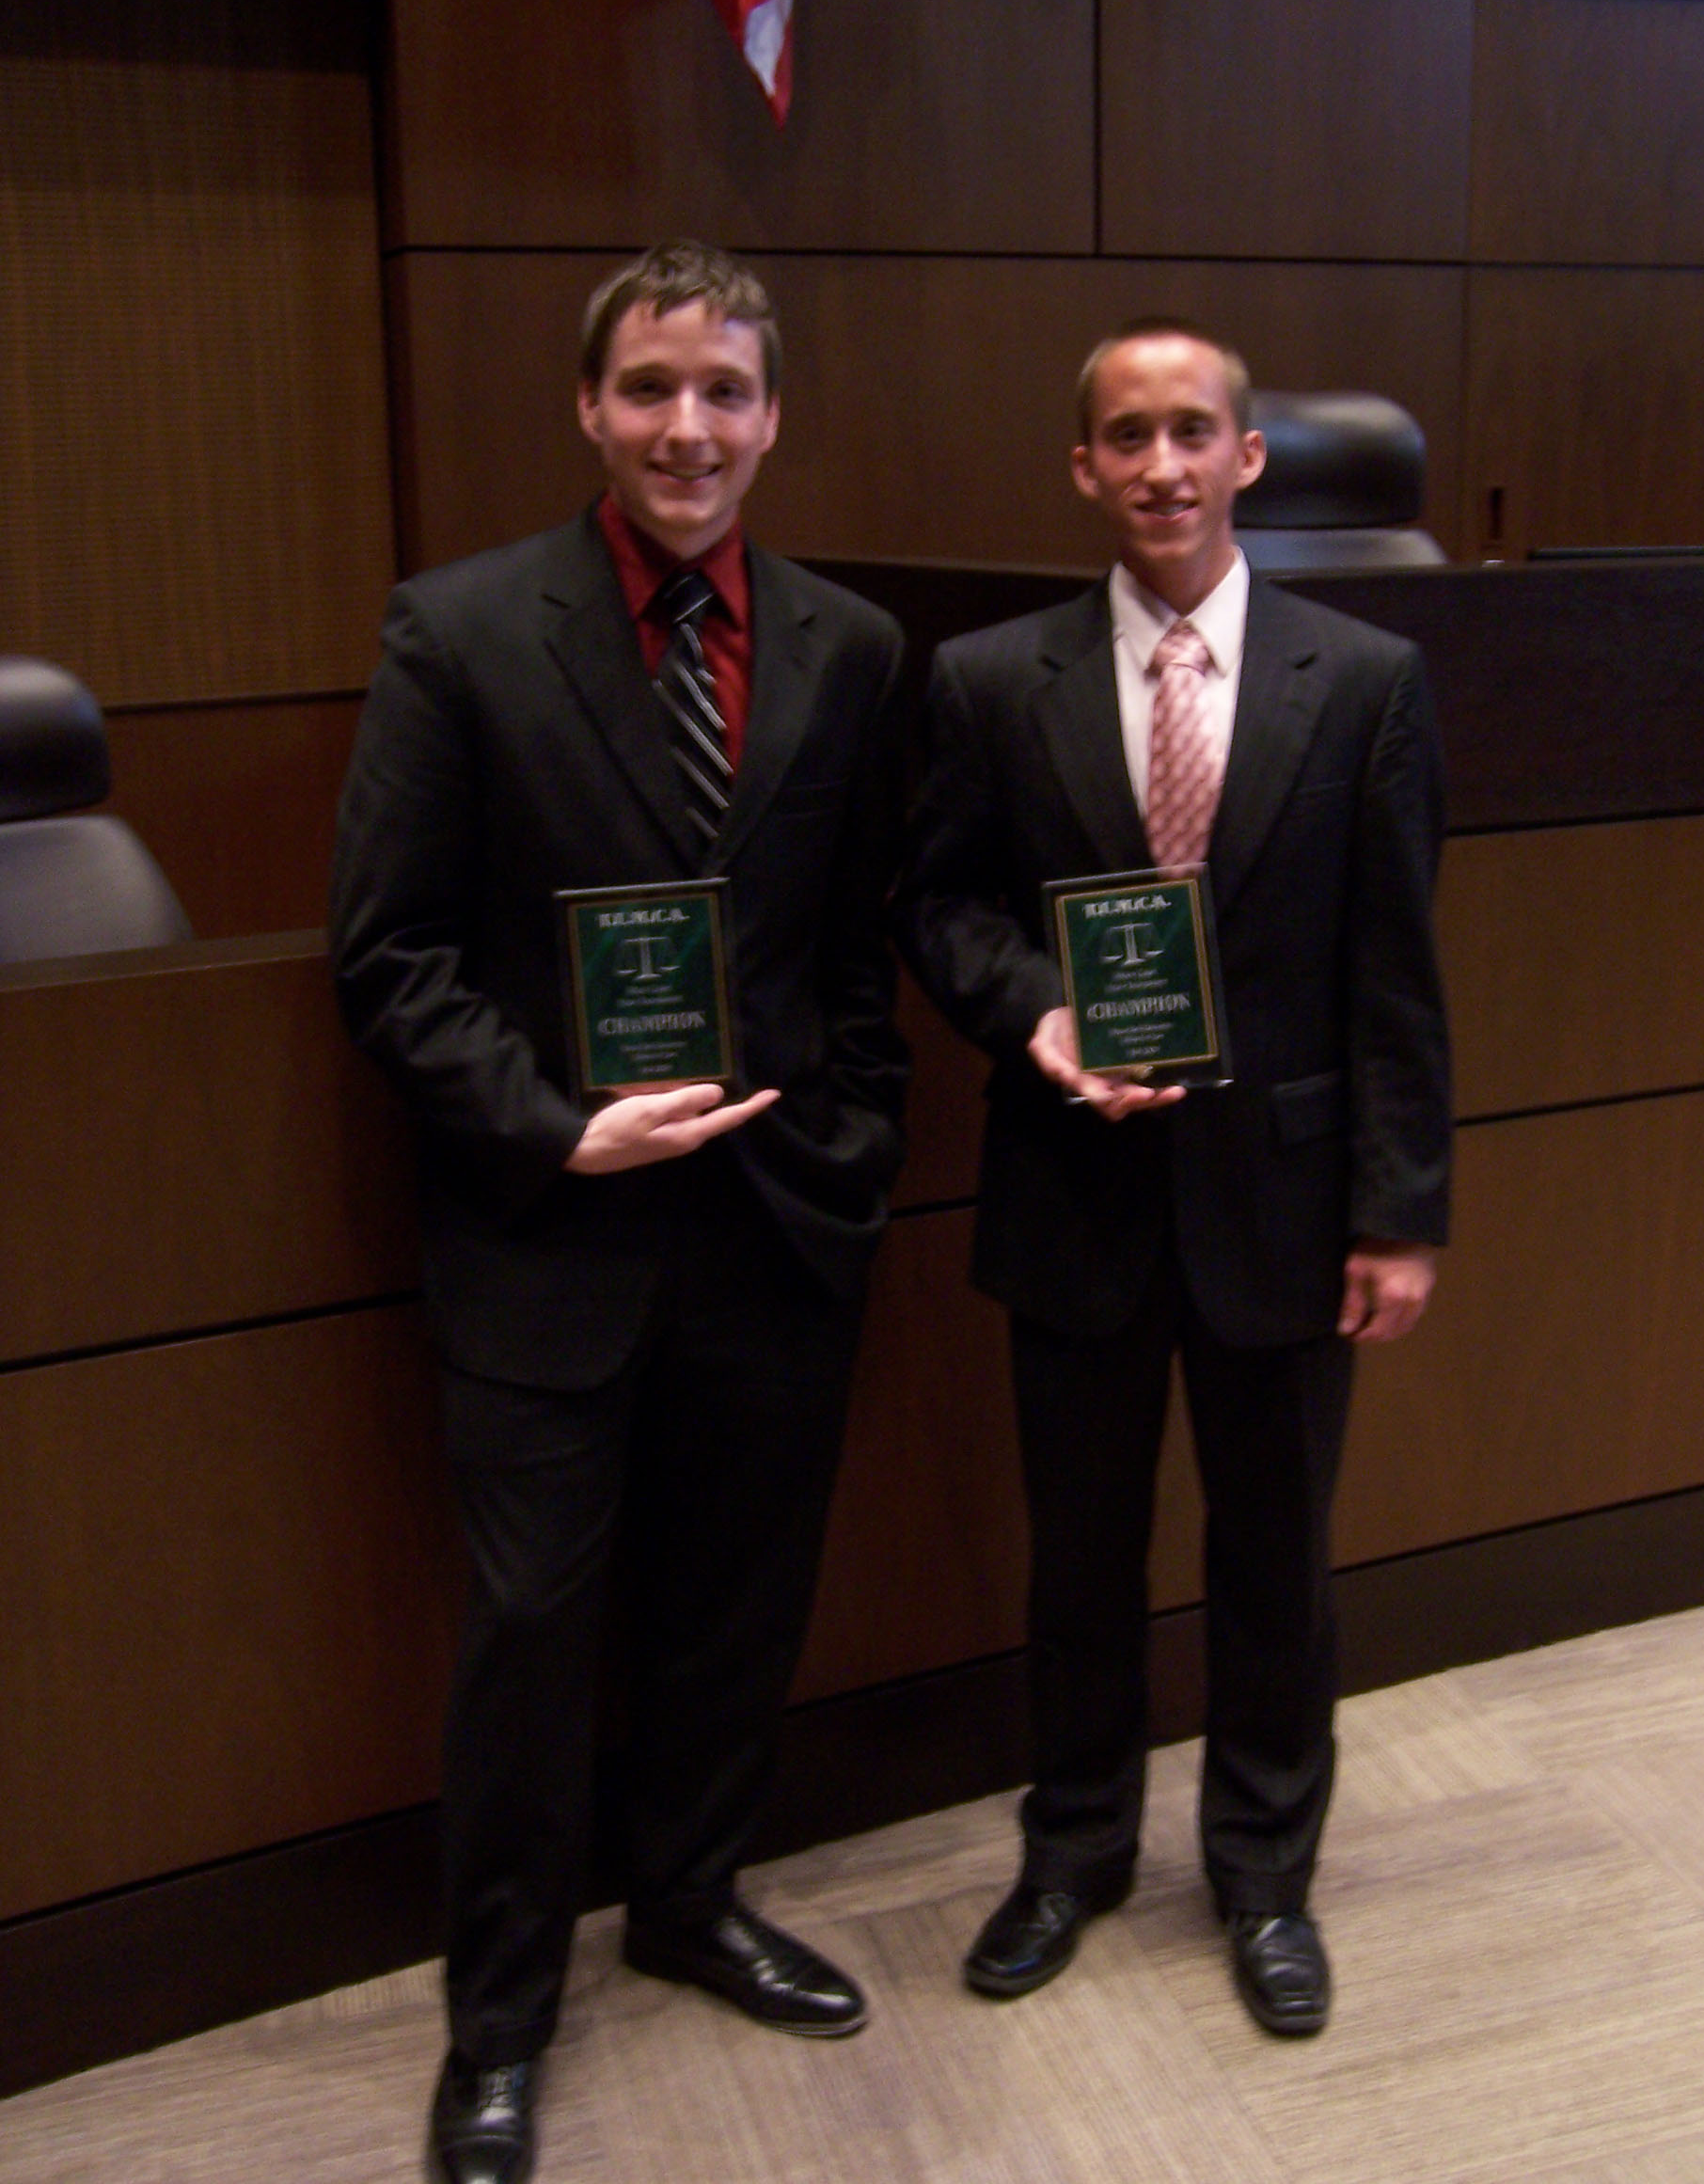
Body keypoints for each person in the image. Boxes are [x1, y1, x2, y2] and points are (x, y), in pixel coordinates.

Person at [331, 240, 908, 2184]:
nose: (690, 426)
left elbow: (850, 942)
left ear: (772, 414)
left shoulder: (850, 647)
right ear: (591, 405)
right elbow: (391, 956)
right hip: (550, 1232)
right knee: (532, 1631)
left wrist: (853, 1147)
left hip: (773, 1227)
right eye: (653, 387)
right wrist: (555, 1129)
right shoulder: (461, 631)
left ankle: (688, 1899)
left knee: (734, 1605)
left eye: (726, 392)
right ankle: (497, 2022)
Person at [893, 320, 1449, 2037]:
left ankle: (1267, 1879)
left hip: (1286, 1208)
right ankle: (1071, 1855)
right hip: (1076, 1193)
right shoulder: (992, 682)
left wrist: (1400, 1211)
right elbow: (940, 912)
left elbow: (1395, 971)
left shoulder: (1361, 679)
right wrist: (1039, 1017)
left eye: (1191, 431)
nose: (1160, 466)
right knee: (1080, 1555)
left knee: (1277, 1558)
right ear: (1082, 466)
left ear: (1248, 455)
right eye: (1124, 437)